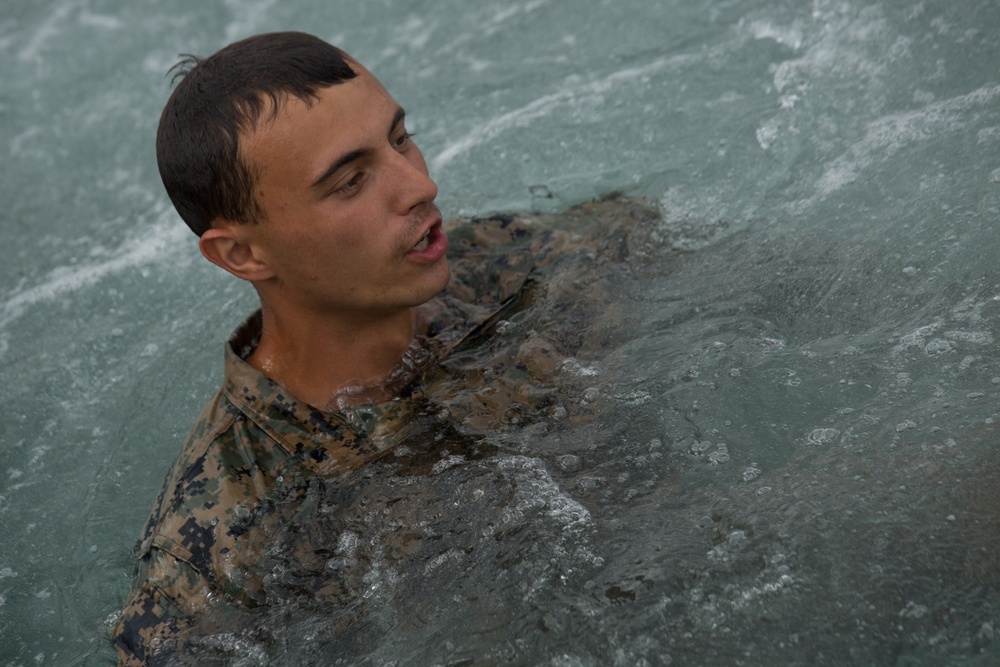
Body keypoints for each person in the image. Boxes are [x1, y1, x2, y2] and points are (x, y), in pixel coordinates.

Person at [110, 30, 660, 666]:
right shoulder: (221, 541)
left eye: (402, 138)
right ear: (242, 253)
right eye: (350, 181)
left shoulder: (517, 264)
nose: (419, 186)